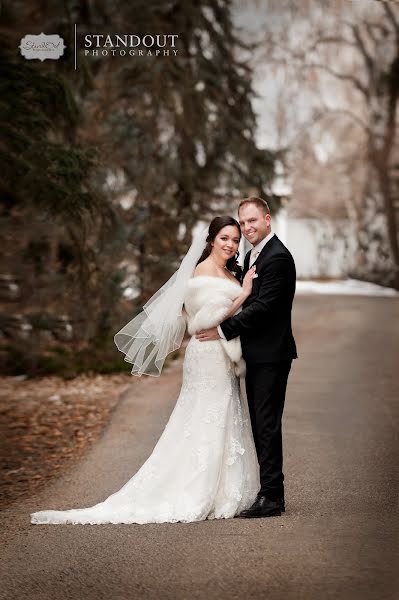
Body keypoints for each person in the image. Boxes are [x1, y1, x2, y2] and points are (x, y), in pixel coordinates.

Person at [30, 216, 260, 525]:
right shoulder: (202, 272)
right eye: (225, 238)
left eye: (235, 240)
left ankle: (223, 489)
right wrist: (244, 294)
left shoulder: (229, 273)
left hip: (222, 356)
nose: (231, 245)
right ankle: (197, 489)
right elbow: (206, 321)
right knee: (204, 416)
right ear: (211, 240)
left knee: (221, 414)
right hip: (207, 356)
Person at [196, 197, 297, 518]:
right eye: (243, 222)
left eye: (253, 220)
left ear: (267, 219)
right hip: (254, 353)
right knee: (259, 422)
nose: (247, 227)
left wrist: (223, 329)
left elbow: (265, 307)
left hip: (270, 354)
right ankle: (268, 492)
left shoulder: (278, 257)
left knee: (266, 424)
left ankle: (272, 497)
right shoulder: (254, 254)